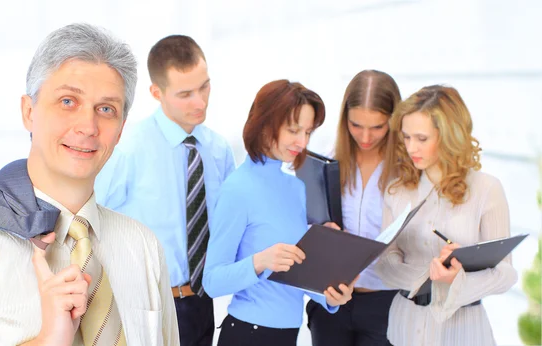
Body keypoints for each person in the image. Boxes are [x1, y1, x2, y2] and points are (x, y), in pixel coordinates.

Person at [0, 23, 178, 346]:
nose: (88, 126)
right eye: (68, 101)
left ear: (121, 130)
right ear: (29, 112)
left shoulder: (144, 248)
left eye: (106, 109)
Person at [94, 35, 235, 346]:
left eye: (204, 87)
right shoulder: (128, 149)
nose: (199, 102)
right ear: (156, 92)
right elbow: (90, 221)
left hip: (202, 302)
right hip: (147, 307)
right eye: (185, 94)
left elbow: (231, 225)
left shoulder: (219, 150)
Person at [203, 79, 356, 346]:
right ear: (264, 126)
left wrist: (330, 296)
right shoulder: (238, 188)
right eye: (294, 130)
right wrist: (261, 261)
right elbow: (213, 281)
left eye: (308, 132)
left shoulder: (295, 187)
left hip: (288, 336)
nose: (302, 141)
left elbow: (294, 275)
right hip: (247, 334)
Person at [374, 85, 518, 346]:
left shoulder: (486, 189)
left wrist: (458, 280)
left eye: (421, 138)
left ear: (450, 136)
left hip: (464, 330)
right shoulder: (396, 190)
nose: (411, 148)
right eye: (406, 137)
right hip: (405, 326)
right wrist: (426, 278)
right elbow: (384, 264)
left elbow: (506, 274)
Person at [306, 70, 401, 346]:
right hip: (331, 302)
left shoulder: (407, 170)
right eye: (356, 125)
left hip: (386, 301)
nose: (366, 137)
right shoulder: (327, 159)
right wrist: (321, 232)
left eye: (378, 127)